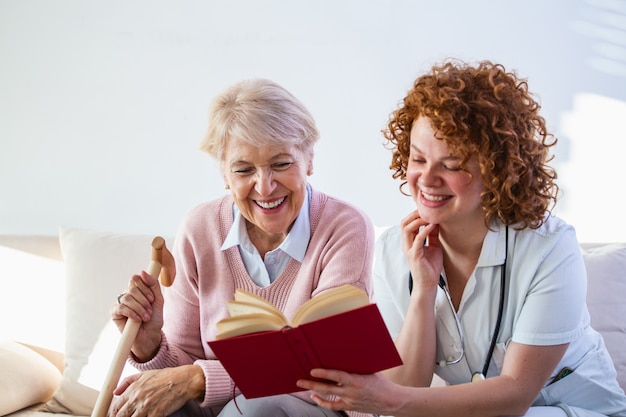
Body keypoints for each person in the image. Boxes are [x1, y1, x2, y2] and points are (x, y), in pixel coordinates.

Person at [296, 60, 626, 416]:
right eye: (418, 159)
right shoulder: (395, 250)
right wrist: (423, 290)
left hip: (577, 409)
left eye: (451, 165)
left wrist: (389, 400)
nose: (427, 179)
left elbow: (515, 395)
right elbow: (406, 391)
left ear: (497, 169)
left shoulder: (549, 247)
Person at [110, 78, 374, 417]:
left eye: (281, 164)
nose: (264, 187)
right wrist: (149, 347)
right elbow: (179, 375)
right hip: (219, 410)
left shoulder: (345, 226)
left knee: (256, 408)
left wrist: (198, 378)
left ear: (309, 158)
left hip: (311, 408)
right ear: (224, 173)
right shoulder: (199, 228)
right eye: (244, 169)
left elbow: (323, 366)